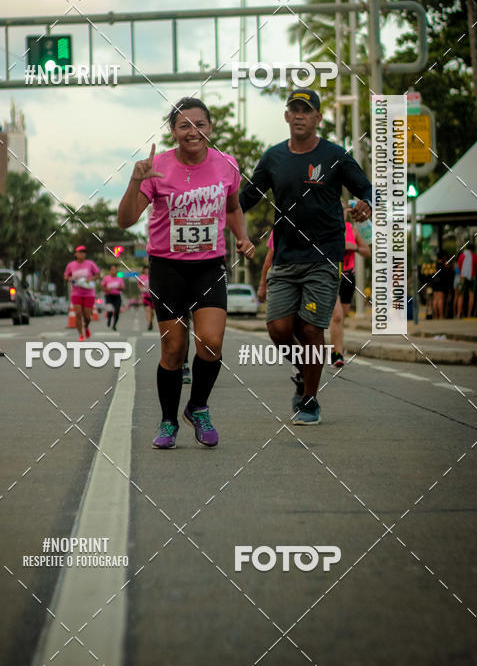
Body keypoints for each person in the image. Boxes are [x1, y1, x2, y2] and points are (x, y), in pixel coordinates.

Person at [117, 96, 254, 450]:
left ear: (210, 128)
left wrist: (242, 237)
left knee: (210, 342)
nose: (193, 132)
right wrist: (135, 181)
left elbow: (234, 206)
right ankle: (167, 421)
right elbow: (126, 219)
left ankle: (198, 407)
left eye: (200, 125)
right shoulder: (157, 167)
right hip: (167, 267)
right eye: (184, 126)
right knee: (173, 350)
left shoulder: (226, 164)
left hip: (209, 266)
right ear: (173, 131)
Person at [239, 88, 372, 425]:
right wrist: (218, 211)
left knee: (312, 328)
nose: (299, 115)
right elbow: (246, 198)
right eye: (294, 109)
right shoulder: (272, 158)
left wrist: (365, 204)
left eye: (306, 110)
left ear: (317, 118)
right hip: (284, 256)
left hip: (324, 256)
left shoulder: (335, 155)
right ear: (286, 116)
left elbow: (365, 188)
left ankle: (310, 401)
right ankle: (305, 369)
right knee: (279, 329)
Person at [329, 202, 370, 368]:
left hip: (348, 277)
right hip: (332, 275)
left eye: (343, 208)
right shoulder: (327, 227)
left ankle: (336, 349)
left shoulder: (351, 229)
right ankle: (336, 355)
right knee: (337, 316)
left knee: (341, 318)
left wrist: (355, 248)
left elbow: (367, 251)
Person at [63, 246, 100, 340]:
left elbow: (98, 275)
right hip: (76, 293)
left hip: (89, 293)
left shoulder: (90, 264)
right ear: (75, 254)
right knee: (78, 313)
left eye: (83, 252)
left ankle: (86, 326)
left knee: (87, 316)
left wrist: (90, 279)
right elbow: (66, 276)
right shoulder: (71, 265)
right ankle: (80, 335)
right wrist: (69, 278)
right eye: (80, 252)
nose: (82, 253)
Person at [456, 244, 477, 318]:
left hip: (463, 277)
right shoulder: (475, 256)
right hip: (472, 277)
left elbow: (458, 266)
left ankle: (459, 314)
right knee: (471, 295)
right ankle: (469, 314)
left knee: (460, 295)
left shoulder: (462, 256)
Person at [430, 250, 453, 321]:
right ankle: (440, 315)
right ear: (443, 257)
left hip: (434, 283)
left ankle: (435, 316)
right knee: (440, 299)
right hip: (441, 284)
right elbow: (447, 274)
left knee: (435, 299)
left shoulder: (434, 265)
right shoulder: (444, 265)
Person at [101, 264, 125, 330]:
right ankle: (109, 319)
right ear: (110, 271)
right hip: (108, 296)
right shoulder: (106, 278)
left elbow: (123, 288)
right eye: (112, 269)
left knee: (117, 311)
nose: (113, 271)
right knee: (110, 310)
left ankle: (114, 325)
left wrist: (120, 287)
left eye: (115, 269)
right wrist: (106, 289)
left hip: (117, 296)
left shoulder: (119, 279)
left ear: (117, 271)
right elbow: (102, 287)